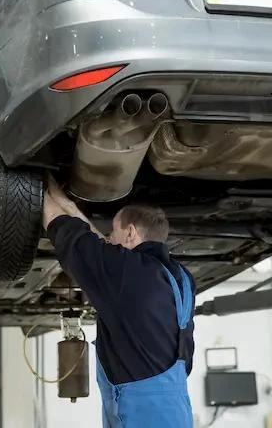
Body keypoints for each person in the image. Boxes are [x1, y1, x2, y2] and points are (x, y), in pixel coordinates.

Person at [42, 176, 196, 428]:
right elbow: (102, 250)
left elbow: (65, 232)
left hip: (145, 415)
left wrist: (31, 190)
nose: (108, 238)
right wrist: (68, 205)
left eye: (113, 231)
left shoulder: (128, 272)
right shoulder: (180, 278)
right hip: (172, 408)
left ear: (130, 233)